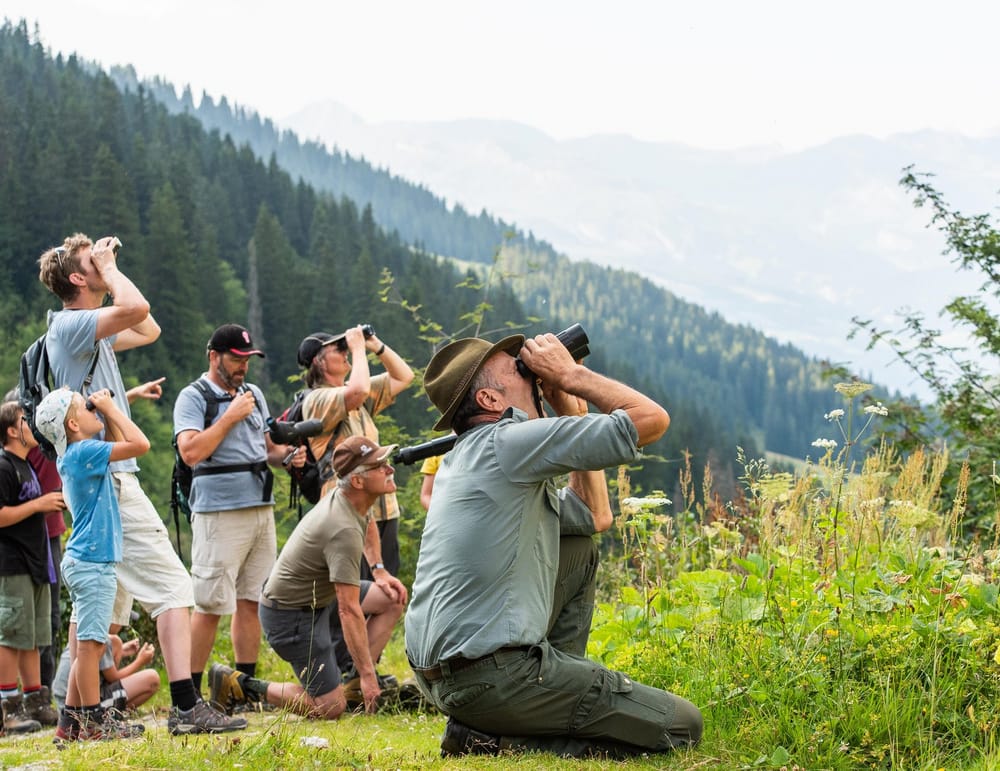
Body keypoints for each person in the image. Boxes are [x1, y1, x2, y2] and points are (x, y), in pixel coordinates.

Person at [405, 332, 703, 758]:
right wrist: (571, 373)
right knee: (683, 726)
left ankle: (555, 692)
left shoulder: (467, 458)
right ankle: (504, 741)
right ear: (491, 401)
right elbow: (652, 419)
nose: (537, 372)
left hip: (443, 677)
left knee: (578, 549)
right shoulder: (505, 441)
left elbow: (595, 516)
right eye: (522, 369)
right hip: (491, 679)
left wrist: (567, 406)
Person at [38, 233, 246, 734]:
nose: (106, 263)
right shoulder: (70, 325)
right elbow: (140, 305)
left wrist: (108, 276)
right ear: (78, 278)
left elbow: (147, 325)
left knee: (97, 610)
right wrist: (111, 273)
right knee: (175, 588)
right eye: (94, 262)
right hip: (109, 477)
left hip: (102, 479)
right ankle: (185, 707)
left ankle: (76, 717)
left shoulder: (89, 330)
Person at [208, 436, 407, 720]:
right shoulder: (342, 530)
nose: (390, 470)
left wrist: (379, 570)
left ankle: (350, 686)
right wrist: (368, 675)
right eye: (380, 466)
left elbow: (369, 520)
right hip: (291, 617)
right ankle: (239, 684)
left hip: (317, 601)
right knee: (329, 708)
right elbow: (348, 609)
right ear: (359, 482)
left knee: (391, 598)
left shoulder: (353, 501)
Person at [173, 324, 304, 699]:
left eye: (247, 359)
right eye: (236, 358)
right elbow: (191, 452)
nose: (243, 366)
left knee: (253, 600)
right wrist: (230, 416)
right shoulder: (193, 397)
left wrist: (290, 457)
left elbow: (266, 450)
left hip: (260, 508)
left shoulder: (253, 394)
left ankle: (241, 689)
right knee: (210, 603)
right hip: (218, 513)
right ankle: (189, 696)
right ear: (214, 356)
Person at [35, 387, 149, 741]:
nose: (92, 408)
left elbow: (118, 444)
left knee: (81, 644)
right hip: (93, 563)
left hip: (81, 560)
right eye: (83, 408)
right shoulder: (84, 451)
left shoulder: (71, 455)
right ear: (73, 423)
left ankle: (69, 726)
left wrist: (103, 411)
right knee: (90, 648)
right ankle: (94, 723)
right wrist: (111, 409)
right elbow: (140, 444)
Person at [296, 326, 413, 579]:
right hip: (348, 508)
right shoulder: (317, 400)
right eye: (337, 349)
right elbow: (357, 391)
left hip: (383, 508)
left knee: (385, 590)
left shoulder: (357, 395)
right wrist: (358, 348)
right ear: (319, 361)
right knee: (356, 592)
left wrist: (375, 345)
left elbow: (404, 376)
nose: (345, 351)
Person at [0, 400, 63, 734]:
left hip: (37, 563)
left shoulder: (29, 466)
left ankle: (36, 702)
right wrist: (39, 504)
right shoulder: (4, 465)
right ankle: (7, 708)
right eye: (27, 421)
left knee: (35, 637)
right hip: (13, 563)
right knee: (12, 636)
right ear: (12, 431)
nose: (34, 425)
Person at [53, 627, 159, 715]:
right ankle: (107, 715)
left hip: (64, 705)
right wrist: (140, 661)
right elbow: (113, 678)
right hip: (80, 707)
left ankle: (111, 712)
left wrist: (121, 650)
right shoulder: (105, 640)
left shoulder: (84, 631)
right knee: (152, 679)